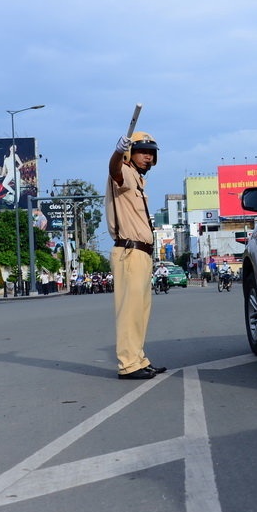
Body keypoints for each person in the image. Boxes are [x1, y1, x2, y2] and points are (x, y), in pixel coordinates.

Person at [106, 131, 168, 380]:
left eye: (151, 153)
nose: (148, 157)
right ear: (130, 153)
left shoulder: (138, 179)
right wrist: (118, 152)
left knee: (140, 312)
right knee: (129, 312)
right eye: (142, 151)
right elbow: (114, 169)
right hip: (129, 252)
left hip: (141, 254)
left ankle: (138, 359)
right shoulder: (123, 171)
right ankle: (128, 365)